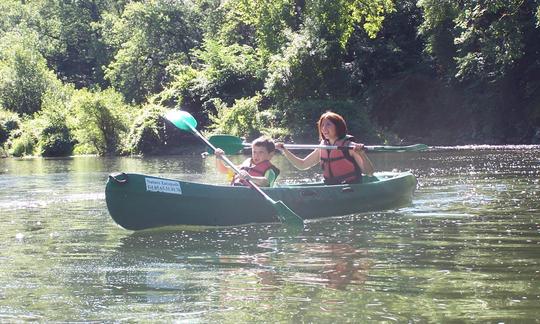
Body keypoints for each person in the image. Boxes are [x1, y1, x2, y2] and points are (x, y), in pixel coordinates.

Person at [276, 111, 374, 185]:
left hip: (351, 187)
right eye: (322, 125)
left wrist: (362, 154)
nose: (324, 128)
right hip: (331, 187)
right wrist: (284, 150)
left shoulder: (349, 146)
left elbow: (369, 172)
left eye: (328, 124)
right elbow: (302, 165)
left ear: (338, 127)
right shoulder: (322, 147)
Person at [215, 136, 280, 187]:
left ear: (270, 154)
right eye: (254, 152)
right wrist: (218, 158)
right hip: (236, 192)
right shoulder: (246, 165)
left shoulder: (271, 171)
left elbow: (265, 182)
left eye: (261, 152)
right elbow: (223, 170)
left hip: (255, 198)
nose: (256, 155)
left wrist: (250, 178)